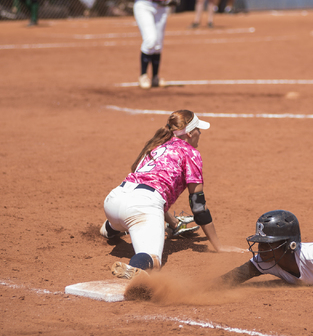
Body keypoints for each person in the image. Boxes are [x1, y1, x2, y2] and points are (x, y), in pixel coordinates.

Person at [100, 110, 245, 281]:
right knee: (153, 259)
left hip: (114, 200)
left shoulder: (157, 145)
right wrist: (218, 246)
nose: (201, 133)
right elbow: (198, 206)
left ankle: (109, 228)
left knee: (128, 217)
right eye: (198, 129)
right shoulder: (191, 153)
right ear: (190, 133)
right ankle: (134, 269)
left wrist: (173, 223)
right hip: (142, 207)